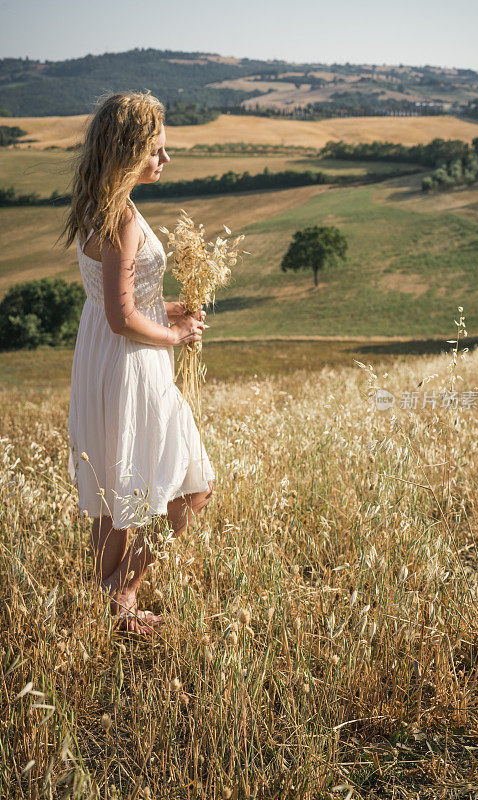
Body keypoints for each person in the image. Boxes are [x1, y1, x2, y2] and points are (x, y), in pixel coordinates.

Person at [60, 91, 215, 634]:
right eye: (156, 150)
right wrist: (174, 333)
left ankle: (110, 605)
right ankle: (125, 597)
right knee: (190, 488)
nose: (165, 160)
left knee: (116, 490)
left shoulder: (95, 208)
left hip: (101, 357)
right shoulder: (122, 217)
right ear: (128, 151)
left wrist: (174, 307)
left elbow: (118, 299)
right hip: (130, 359)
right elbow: (123, 315)